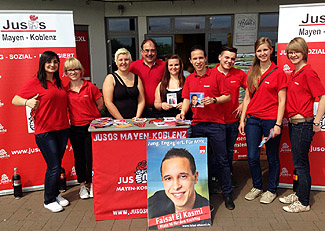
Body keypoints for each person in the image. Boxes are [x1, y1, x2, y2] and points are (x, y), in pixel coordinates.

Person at [176, 45, 235, 210]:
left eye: (201, 58)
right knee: (200, 162)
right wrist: (182, 113)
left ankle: (227, 194)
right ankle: (205, 196)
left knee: (222, 160)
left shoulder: (216, 75)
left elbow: (227, 96)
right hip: (197, 125)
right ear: (190, 61)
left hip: (217, 124)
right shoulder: (189, 79)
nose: (198, 61)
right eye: (195, 58)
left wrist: (214, 100)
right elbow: (187, 100)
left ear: (205, 59)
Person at [12, 51, 70, 213]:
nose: (52, 65)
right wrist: (27, 101)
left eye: (55, 62)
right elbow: (15, 99)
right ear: (43, 64)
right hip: (45, 131)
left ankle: (55, 194)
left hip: (62, 129)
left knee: (56, 165)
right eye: (49, 62)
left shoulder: (59, 82)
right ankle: (48, 200)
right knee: (53, 166)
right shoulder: (35, 82)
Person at [238, 37, 287, 204]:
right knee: (252, 156)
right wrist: (242, 120)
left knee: (272, 157)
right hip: (253, 120)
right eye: (259, 50)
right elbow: (247, 98)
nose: (262, 53)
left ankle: (272, 189)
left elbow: (282, 101)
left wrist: (278, 124)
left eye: (265, 49)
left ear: (271, 50)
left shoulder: (278, 72)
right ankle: (257, 186)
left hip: (270, 120)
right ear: (255, 53)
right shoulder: (251, 72)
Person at [279, 37, 325, 213]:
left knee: (301, 165)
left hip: (303, 125)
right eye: (290, 52)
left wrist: (316, 121)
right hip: (294, 125)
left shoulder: (308, 72)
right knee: (298, 163)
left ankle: (304, 202)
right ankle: (298, 193)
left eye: (296, 51)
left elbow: (322, 97)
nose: (293, 55)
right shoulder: (294, 73)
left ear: (304, 52)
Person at [64, 57, 104, 199]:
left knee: (91, 158)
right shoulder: (65, 90)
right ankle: (82, 185)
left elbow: (100, 105)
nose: (73, 72)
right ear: (66, 73)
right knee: (79, 158)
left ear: (81, 71)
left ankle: (93, 184)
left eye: (76, 69)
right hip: (75, 128)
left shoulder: (90, 87)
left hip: (91, 128)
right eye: (70, 70)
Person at [148, 148, 209, 228]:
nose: (176, 187)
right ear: (163, 181)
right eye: (168, 178)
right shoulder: (154, 202)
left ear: (195, 177)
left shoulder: (205, 212)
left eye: (183, 176)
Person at [215, 46, 247, 187]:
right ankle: (215, 178)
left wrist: (242, 105)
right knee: (214, 152)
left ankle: (227, 177)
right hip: (214, 122)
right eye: (227, 57)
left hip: (232, 121)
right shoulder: (210, 73)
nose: (229, 61)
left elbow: (251, 90)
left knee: (229, 151)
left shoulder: (239, 74)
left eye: (232, 59)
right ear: (220, 57)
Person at [103, 48, 145, 119]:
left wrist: (137, 117)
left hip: (134, 121)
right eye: (120, 60)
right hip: (116, 121)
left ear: (130, 61)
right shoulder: (110, 78)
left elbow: (141, 100)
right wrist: (121, 120)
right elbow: (108, 102)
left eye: (126, 59)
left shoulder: (137, 78)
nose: (123, 62)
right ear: (116, 62)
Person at [129, 39, 165, 118]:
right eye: (147, 50)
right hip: (139, 110)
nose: (149, 53)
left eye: (152, 50)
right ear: (141, 51)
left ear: (156, 52)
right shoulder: (133, 66)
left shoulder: (164, 66)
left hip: (160, 110)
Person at [154, 54, 191, 119]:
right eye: (171, 65)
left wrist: (186, 105)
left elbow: (194, 101)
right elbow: (156, 103)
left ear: (180, 66)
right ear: (167, 67)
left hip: (184, 120)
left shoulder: (187, 82)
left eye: (176, 65)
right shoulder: (161, 84)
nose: (173, 67)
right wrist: (162, 105)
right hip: (166, 121)